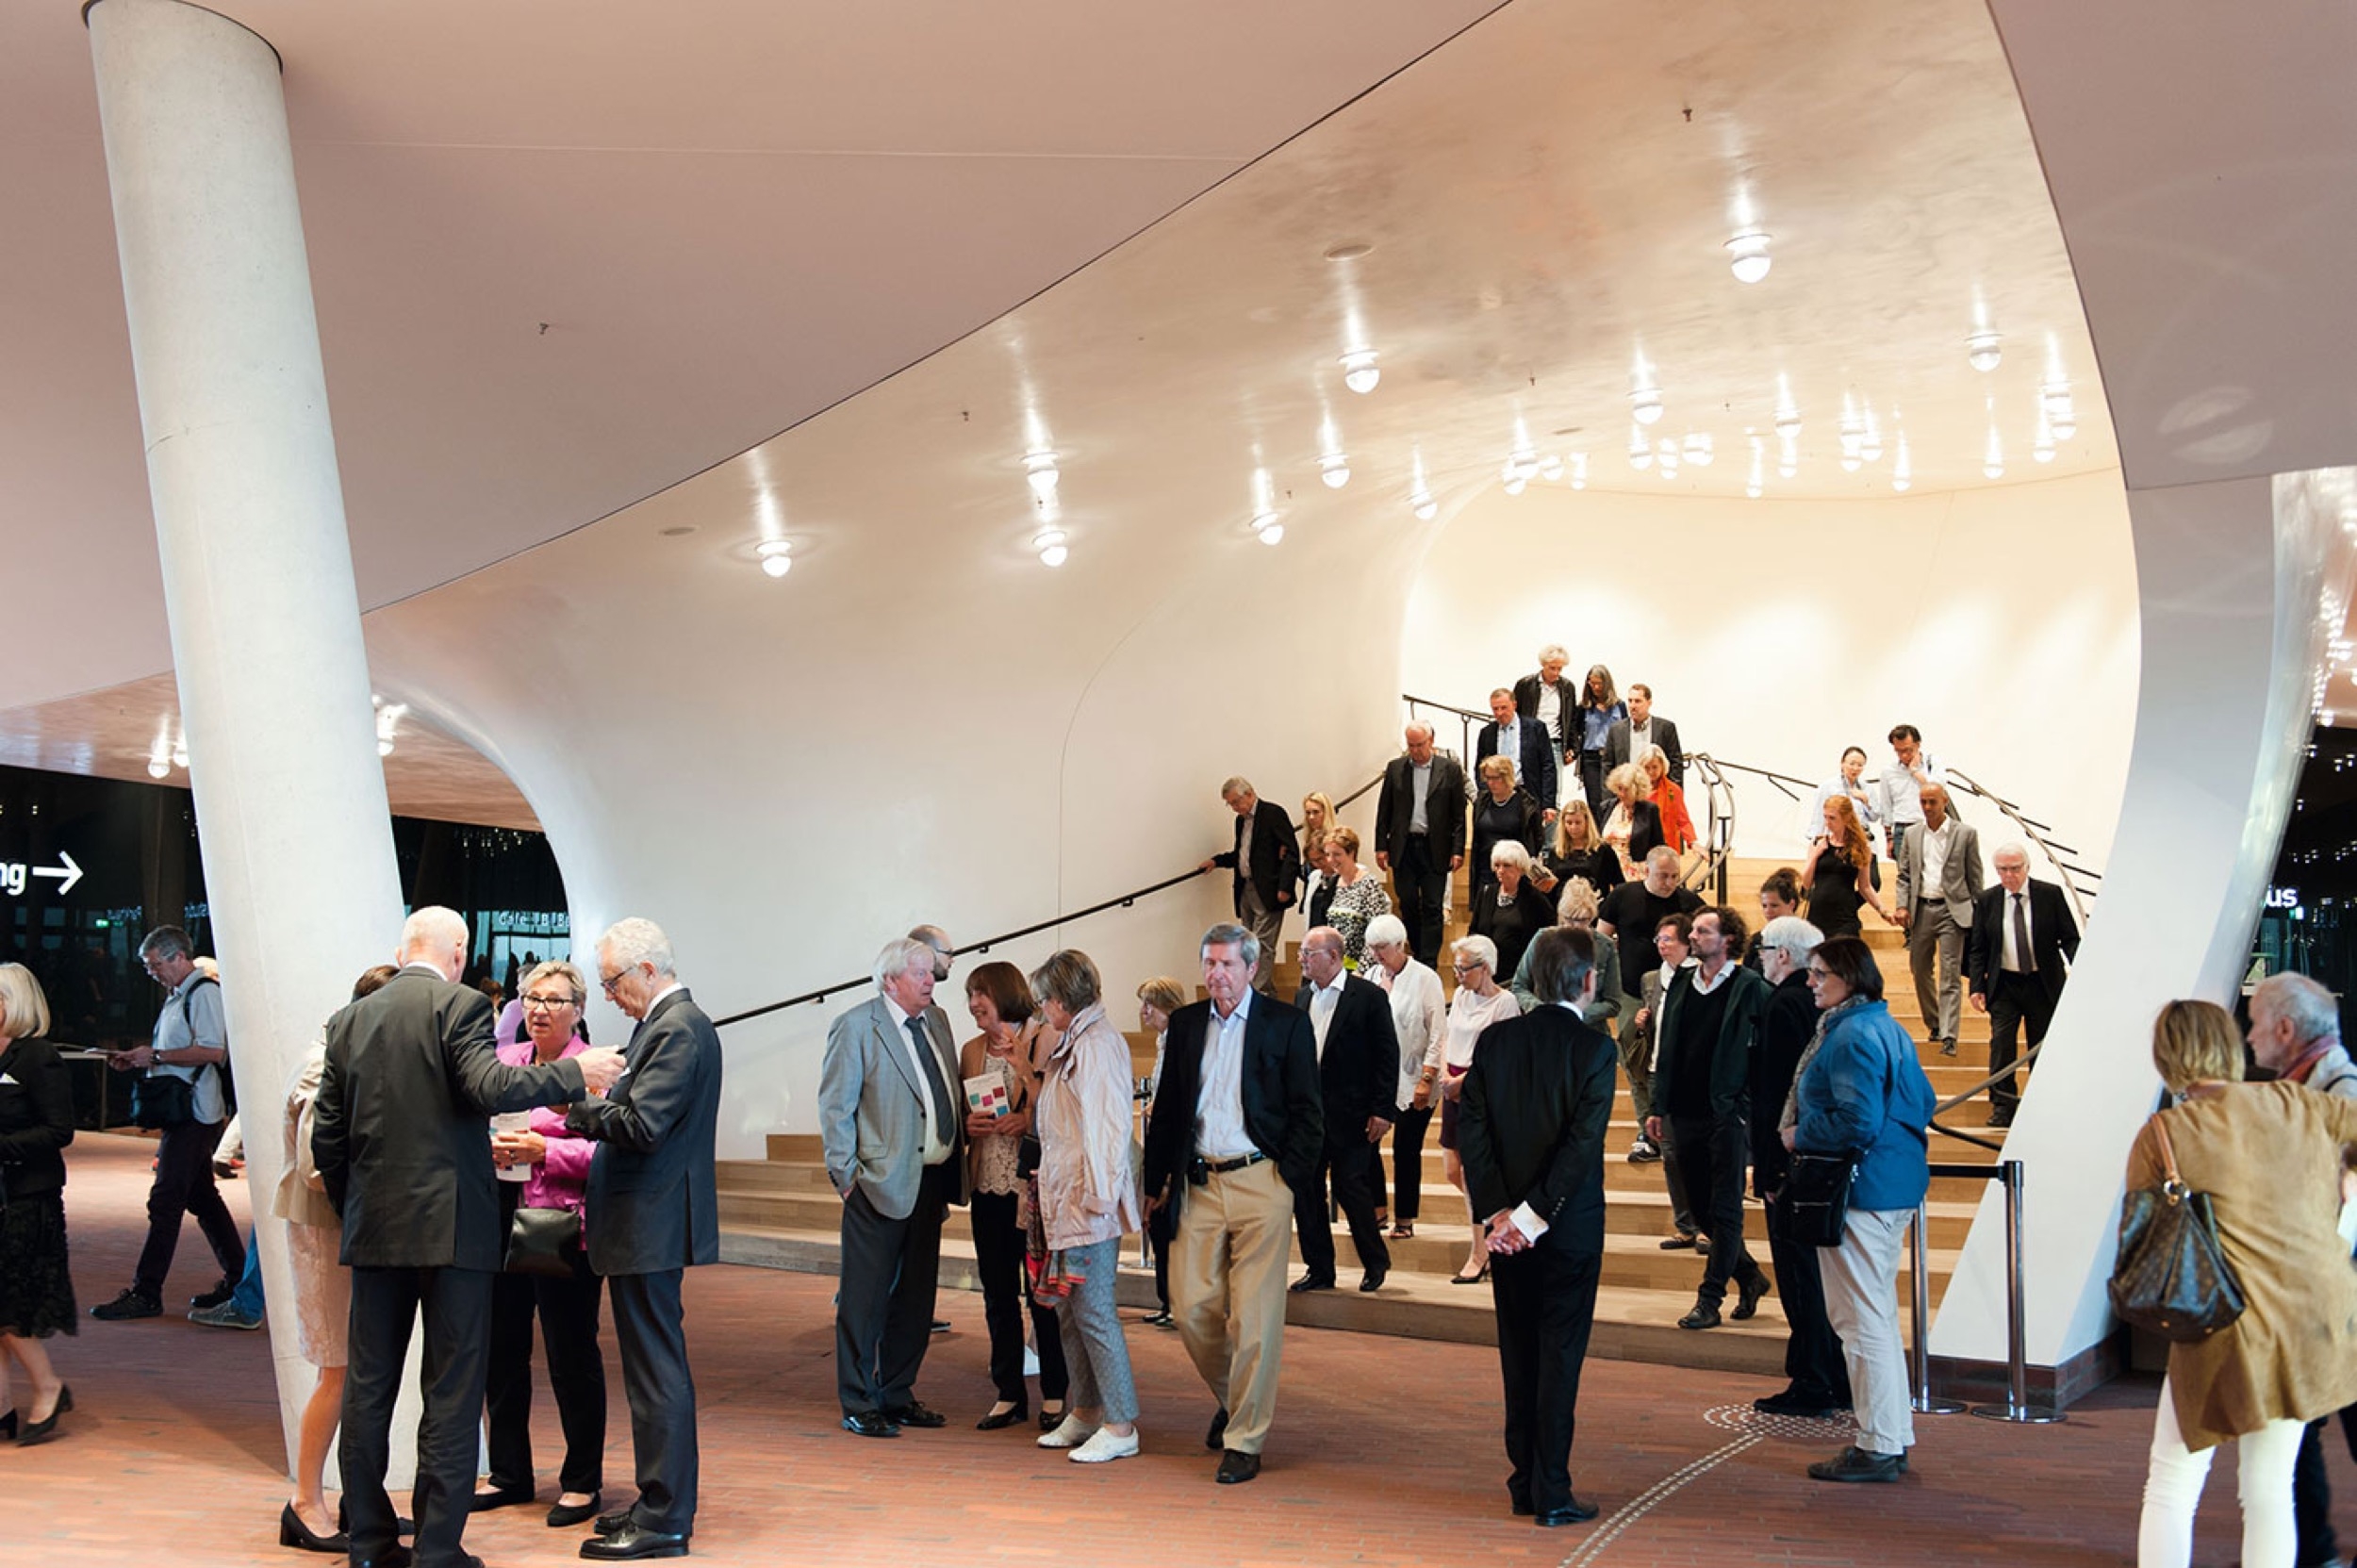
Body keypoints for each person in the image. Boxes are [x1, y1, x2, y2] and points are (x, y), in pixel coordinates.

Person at [310, 907, 625, 1568]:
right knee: (451, 1390)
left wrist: (357, 1208)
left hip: (375, 1229)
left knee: (370, 1385)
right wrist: (577, 1073)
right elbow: (488, 1086)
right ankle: (436, 1549)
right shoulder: (459, 1005)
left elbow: (329, 1139)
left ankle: (367, 1543)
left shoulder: (349, 1020)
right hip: (454, 1228)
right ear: (457, 950)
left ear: (403, 950)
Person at [2131, 999, 2357, 1566]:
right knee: (2269, 1488)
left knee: (2172, 1482)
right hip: (2309, 1321)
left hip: (2221, 1322)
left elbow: (2137, 1244)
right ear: (2228, 1046)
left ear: (2166, 1056)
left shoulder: (2165, 1134)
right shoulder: (2297, 1103)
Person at [1138, 923, 1322, 1485]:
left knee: (1254, 1316)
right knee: (1190, 1306)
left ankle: (1245, 1437)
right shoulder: (1189, 1024)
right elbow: (1168, 1109)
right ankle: (1236, 1395)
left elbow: (1308, 1113)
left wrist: (1286, 1179)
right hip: (1198, 1182)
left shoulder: (1286, 1024)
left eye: (1226, 965)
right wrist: (1152, 1184)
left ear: (1250, 968)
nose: (1216, 974)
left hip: (1261, 1181)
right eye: (1209, 964)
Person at [569, 919, 723, 1561]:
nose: (608, 993)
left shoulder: (679, 1027)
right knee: (650, 1369)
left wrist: (582, 1099)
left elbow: (643, 1123)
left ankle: (664, 1517)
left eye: (613, 980)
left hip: (649, 1220)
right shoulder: (667, 1025)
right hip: (645, 1219)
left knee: (656, 1371)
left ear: (649, 970)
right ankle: (657, 1499)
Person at [1459, 927, 1617, 1528]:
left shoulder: (1495, 1041)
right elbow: (1581, 1146)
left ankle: (1524, 1480)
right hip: (1566, 1229)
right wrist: (1531, 1217)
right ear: (1587, 981)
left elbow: (1472, 1129)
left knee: (1518, 1355)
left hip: (1506, 1233)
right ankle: (1552, 1488)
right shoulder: (1594, 1050)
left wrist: (1501, 1213)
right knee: (1559, 1358)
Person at [1786, 936, 1936, 1484]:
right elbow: (1923, 1103)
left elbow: (1857, 1120)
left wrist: (1798, 1132)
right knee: (1873, 1315)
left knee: (1860, 1320)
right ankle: (1890, 1435)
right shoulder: (1887, 1026)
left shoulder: (1849, 1034)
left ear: (1850, 976)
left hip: (1862, 1188)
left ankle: (1878, 1443)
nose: (1811, 983)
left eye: (1820, 974)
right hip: (1894, 1182)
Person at [474, 961, 608, 1529]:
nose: (538, 1010)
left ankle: (582, 1481)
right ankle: (509, 1472)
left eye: (553, 1000)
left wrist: (543, 1153)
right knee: (501, 1350)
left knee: (569, 1352)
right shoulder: (505, 1063)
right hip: (498, 1219)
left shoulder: (596, 1070)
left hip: (563, 1226)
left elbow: (608, 1156)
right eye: (531, 998)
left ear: (578, 1010)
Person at [820, 935, 969, 1438]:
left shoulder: (938, 1021)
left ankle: (898, 1393)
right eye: (921, 973)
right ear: (891, 980)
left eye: (932, 973)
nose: (931, 981)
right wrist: (847, 1177)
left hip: (931, 1180)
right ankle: (860, 1400)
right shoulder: (858, 1026)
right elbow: (835, 1108)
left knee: (916, 1298)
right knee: (865, 1301)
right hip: (877, 1185)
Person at [273, 963, 399, 1553]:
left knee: (356, 1372)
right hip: (326, 1231)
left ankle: (357, 1500)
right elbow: (316, 1168)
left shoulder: (346, 1058)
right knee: (337, 1370)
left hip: (349, 1231)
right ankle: (305, 1501)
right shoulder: (325, 1065)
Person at [2247, 973, 2357, 1567]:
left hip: (2333, 1297)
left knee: (2300, 1428)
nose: (2250, 1033)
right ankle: (2308, 1552)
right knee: (2297, 1431)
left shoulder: (2338, 1095)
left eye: (2257, 1019)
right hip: (2322, 1295)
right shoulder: (2311, 1089)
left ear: (2286, 1029)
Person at [91, 925, 245, 1323]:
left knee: (166, 1201)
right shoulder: (180, 995)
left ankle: (147, 1291)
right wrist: (143, 1058)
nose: (151, 972)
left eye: (154, 964)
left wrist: (154, 1057)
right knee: (201, 1198)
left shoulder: (204, 992)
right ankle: (239, 1278)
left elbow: (213, 1049)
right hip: (188, 1112)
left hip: (196, 1113)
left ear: (178, 956)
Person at [1028, 950, 1145, 1464]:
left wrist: (1099, 1195)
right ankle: (1089, 1409)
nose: (1041, 1009)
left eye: (1043, 1000)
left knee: (1095, 1311)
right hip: (1067, 1200)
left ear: (1059, 999)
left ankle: (1121, 1425)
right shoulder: (1074, 1039)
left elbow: (1108, 1126)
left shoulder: (1096, 1044)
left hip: (1087, 1202)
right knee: (1070, 1312)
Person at [1645, 908, 1773, 1329]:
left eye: (1704, 931)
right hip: (1684, 1110)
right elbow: (1666, 1048)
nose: (1693, 936)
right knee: (1700, 1210)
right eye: (1694, 930)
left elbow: (1766, 1055)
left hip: (1727, 1113)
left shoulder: (1750, 986)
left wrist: (1745, 1106)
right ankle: (1750, 1275)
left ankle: (1710, 1297)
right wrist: (1657, 1106)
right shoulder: (1682, 981)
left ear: (1728, 940)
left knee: (1725, 1208)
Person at [958, 961, 1067, 1429]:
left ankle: (1056, 1392)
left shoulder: (1044, 1037)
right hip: (988, 1183)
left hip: (1032, 1186)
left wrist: (1028, 1117)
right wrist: (970, 1125)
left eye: (979, 993)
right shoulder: (971, 1050)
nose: (972, 1004)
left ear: (1003, 992)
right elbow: (964, 1109)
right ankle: (1008, 1392)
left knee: (1040, 1293)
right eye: (969, 996)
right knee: (997, 1292)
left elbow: (1058, 1103)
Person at [1747, 918, 1849, 1418]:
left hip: (1791, 1159)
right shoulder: (1816, 1007)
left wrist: (1766, 1167)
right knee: (1815, 1276)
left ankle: (1813, 1380)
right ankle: (1832, 1374)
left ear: (1783, 955)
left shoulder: (1784, 1003)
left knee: (1798, 1275)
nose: (1760, 958)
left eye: (1763, 949)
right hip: (1814, 1159)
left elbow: (1777, 1097)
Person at [1289, 928, 1399, 1295]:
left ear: (1334, 956)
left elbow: (1387, 1055)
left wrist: (1382, 1110)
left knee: (1351, 1188)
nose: (1302, 959)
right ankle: (1319, 1268)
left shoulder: (1367, 997)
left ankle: (1375, 1262)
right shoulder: (1302, 995)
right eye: (1302, 952)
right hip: (1309, 1116)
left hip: (1352, 1114)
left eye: (1309, 953)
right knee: (1306, 1192)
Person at [0, 963, 74, 1446]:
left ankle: (48, 1386)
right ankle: (4, 1408)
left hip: (27, 1202)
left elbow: (58, 1131)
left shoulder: (38, 1056)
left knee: (7, 1307)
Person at [1964, 844, 2081, 1127]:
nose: (2009, 875)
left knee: (2040, 1045)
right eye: (2003, 870)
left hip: (2042, 983)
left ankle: (2042, 1104)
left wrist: (2080, 973)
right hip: (2005, 984)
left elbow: (2069, 938)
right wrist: (1977, 986)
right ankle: (2003, 1106)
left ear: (2026, 868)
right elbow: (1978, 948)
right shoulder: (1988, 900)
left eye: (2014, 869)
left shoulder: (2049, 895)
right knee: (2002, 1046)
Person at [1440, 934, 1523, 1284]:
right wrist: (1445, 1073)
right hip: (1452, 1083)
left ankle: (1479, 1253)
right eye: (1456, 967)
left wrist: (1465, 1083)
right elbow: (1448, 1036)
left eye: (1464, 968)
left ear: (1484, 968)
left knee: (1475, 1176)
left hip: (1481, 1090)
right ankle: (1499, 1217)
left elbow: (1501, 1057)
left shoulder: (1505, 1003)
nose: (1458, 974)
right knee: (1451, 1169)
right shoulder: (1460, 995)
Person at [1365, 916, 1445, 1242]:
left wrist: (1427, 1078)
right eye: (1373, 948)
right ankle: (1377, 1209)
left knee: (1406, 1149)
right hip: (1381, 1078)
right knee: (1367, 1141)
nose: (1377, 955)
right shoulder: (1371, 975)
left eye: (1382, 948)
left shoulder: (1425, 978)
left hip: (1415, 1076)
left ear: (1400, 945)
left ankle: (1405, 1218)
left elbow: (1438, 1032)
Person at [1894, 784, 1983, 1058]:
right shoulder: (1912, 834)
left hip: (1952, 910)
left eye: (1933, 801)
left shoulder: (1965, 834)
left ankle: (1949, 1034)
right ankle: (1933, 1023)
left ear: (1945, 801)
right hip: (1921, 908)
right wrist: (1901, 904)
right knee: (1920, 969)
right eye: (1923, 802)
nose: (1928, 807)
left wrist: (1979, 914)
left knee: (1950, 972)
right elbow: (1904, 874)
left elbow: (1975, 876)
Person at [1629, 916, 1701, 1238]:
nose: (1662, 944)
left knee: (1695, 1151)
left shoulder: (1701, 977)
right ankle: (1685, 1224)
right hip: (1659, 1072)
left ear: (1687, 943)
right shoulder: (1650, 979)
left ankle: (1706, 1224)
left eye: (1669, 939)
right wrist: (1641, 1021)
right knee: (1670, 1152)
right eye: (1659, 938)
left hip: (1690, 1076)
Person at [1375, 724, 1468, 964]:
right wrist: (1381, 845)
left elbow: (1459, 814)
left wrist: (1458, 849)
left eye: (1420, 745)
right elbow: (1384, 809)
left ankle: (1429, 960)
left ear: (1431, 741)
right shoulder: (1396, 769)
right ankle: (1416, 950)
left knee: (1433, 906)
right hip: (1404, 847)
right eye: (1411, 745)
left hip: (1434, 847)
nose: (1415, 750)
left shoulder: (1450, 770)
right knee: (1407, 901)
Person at [1200, 778, 1300, 994]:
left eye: (1236, 802)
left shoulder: (1273, 814)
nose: (1235, 808)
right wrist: (1217, 861)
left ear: (1250, 794)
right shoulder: (1240, 821)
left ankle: (1252, 993)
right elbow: (1242, 854)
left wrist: (1286, 887)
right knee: (1247, 945)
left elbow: (1292, 852)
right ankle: (1267, 994)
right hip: (1246, 888)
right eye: (1231, 804)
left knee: (1262, 944)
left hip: (1269, 890)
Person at [1134, 977, 1189, 1328]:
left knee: (1168, 1224)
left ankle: (1176, 1302)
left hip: (1175, 1142)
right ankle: (1166, 1299)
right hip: (1160, 1136)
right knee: (1157, 1224)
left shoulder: (1181, 1043)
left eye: (1148, 1004)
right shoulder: (1162, 1041)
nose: (1142, 1011)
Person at [1508, 882, 1624, 1044]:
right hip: (1546, 1033)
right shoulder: (1543, 939)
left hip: (1589, 1036)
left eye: (1582, 920)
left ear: (1592, 918)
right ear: (1561, 917)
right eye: (1570, 920)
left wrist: (1574, 1014)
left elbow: (1613, 1002)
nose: (1575, 926)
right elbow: (1519, 985)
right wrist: (1541, 1009)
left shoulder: (1605, 946)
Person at [1803, 795, 1891, 939]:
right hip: (1818, 913)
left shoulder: (1860, 847)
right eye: (1825, 817)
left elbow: (1866, 886)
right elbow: (1806, 883)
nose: (1827, 823)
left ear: (1846, 818)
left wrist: (1882, 910)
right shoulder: (1818, 843)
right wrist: (1816, 854)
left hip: (1844, 915)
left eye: (1832, 818)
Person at [1473, 841, 1557, 983]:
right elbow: (1474, 930)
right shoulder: (1487, 893)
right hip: (1487, 972)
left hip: (1518, 974)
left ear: (1520, 869)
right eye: (1497, 865)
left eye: (1507, 866)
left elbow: (1548, 932)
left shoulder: (1534, 897)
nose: (1500, 870)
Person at [1470, 755, 1547, 904]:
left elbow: (1537, 838)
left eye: (1495, 778)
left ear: (1507, 776)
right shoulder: (1482, 802)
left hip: (1514, 873)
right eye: (1488, 778)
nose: (1491, 783)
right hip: (1486, 869)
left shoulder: (1525, 804)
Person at [1477, 686, 1559, 824]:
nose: (1499, 713)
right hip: (1498, 796)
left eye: (1504, 708)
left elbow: (1548, 766)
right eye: (1495, 709)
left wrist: (1548, 803)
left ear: (1514, 705)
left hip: (1527, 793)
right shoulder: (1487, 733)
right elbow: (1480, 768)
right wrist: (1485, 793)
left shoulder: (1536, 728)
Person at [1514, 647, 1582, 807]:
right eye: (1552, 668)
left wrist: (1573, 747)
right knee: (1528, 791)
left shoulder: (1567, 687)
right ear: (1543, 665)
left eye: (1560, 668)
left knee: (1554, 795)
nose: (1556, 673)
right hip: (1530, 742)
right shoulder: (1525, 685)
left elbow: (1570, 719)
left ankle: (1551, 832)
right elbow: (1516, 715)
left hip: (1555, 744)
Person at [1320, 828, 1392, 967]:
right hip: (1335, 965)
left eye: (1337, 854)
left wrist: (1362, 970)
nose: (1331, 860)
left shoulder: (1368, 884)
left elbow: (1376, 932)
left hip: (1360, 967)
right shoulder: (1333, 882)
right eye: (1328, 854)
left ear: (1351, 853)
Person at [1874, 725, 1945, 865]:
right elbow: (1886, 806)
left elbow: (1938, 789)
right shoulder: (1889, 772)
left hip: (1930, 826)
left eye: (1908, 750)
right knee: (1905, 878)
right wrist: (1889, 838)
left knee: (1933, 873)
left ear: (1918, 745)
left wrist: (1914, 771)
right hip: (1903, 829)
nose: (1904, 756)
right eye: (1899, 751)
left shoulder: (1932, 763)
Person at [1573, 665, 1627, 823]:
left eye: (1599, 683)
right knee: (1595, 802)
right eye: (1592, 683)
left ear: (1606, 683)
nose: (1595, 687)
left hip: (1614, 757)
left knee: (1615, 798)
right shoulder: (1584, 707)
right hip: (1591, 758)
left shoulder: (1620, 706)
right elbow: (1576, 732)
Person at [1604, 683, 1684, 787]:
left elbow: (1676, 763)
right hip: (1626, 792)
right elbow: (1607, 765)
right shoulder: (1616, 730)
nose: (1632, 706)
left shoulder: (1666, 728)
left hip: (1658, 792)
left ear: (1649, 702)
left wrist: (1673, 793)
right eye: (1630, 701)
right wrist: (1608, 799)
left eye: (1637, 701)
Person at [1541, 801, 1621, 901]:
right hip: (1563, 908)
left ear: (1587, 822)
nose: (1573, 827)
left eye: (1578, 823)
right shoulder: (1556, 851)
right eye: (1569, 823)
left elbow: (1618, 884)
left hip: (1596, 905)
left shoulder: (1603, 850)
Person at [1598, 764, 1664, 883]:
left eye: (1626, 790)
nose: (1622, 794)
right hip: (1608, 870)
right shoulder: (1606, 807)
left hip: (1636, 872)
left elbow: (1658, 845)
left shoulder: (1649, 810)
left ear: (1637, 789)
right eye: (1619, 789)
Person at [1812, 746, 1881, 844]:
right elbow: (1819, 816)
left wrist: (1866, 802)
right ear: (1842, 764)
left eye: (1860, 765)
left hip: (1860, 840)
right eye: (1852, 764)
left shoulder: (1867, 788)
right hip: (1835, 839)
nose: (1855, 768)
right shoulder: (1828, 786)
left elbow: (1875, 817)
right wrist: (1816, 840)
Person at [1640, 745, 1697, 855]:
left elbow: (1683, 821)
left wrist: (1693, 842)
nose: (1651, 772)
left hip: (1666, 848)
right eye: (1647, 768)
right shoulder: (1634, 790)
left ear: (1662, 766)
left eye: (1655, 767)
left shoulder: (1673, 790)